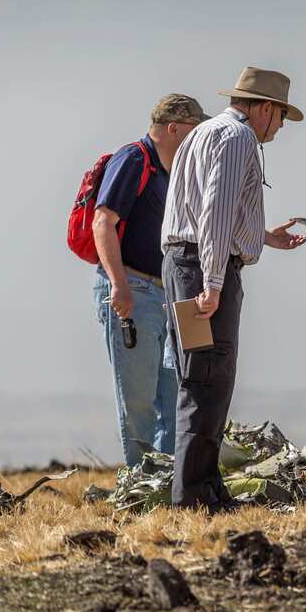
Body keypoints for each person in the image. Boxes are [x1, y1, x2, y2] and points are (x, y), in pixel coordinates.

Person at [160, 67, 306, 511]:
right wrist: (213, 283)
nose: (280, 127)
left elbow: (202, 207)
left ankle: (202, 487)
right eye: (281, 116)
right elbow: (215, 212)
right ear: (265, 108)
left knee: (200, 379)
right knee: (208, 379)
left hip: (183, 263)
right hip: (202, 268)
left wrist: (261, 235)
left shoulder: (203, 133)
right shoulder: (238, 138)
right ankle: (194, 496)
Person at [92, 94, 206, 468]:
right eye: (193, 129)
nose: (197, 138)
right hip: (133, 291)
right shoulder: (133, 159)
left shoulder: (170, 171)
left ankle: (168, 481)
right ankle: (140, 484)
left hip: (166, 293)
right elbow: (102, 222)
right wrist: (118, 284)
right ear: (173, 128)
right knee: (138, 399)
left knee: (175, 394)